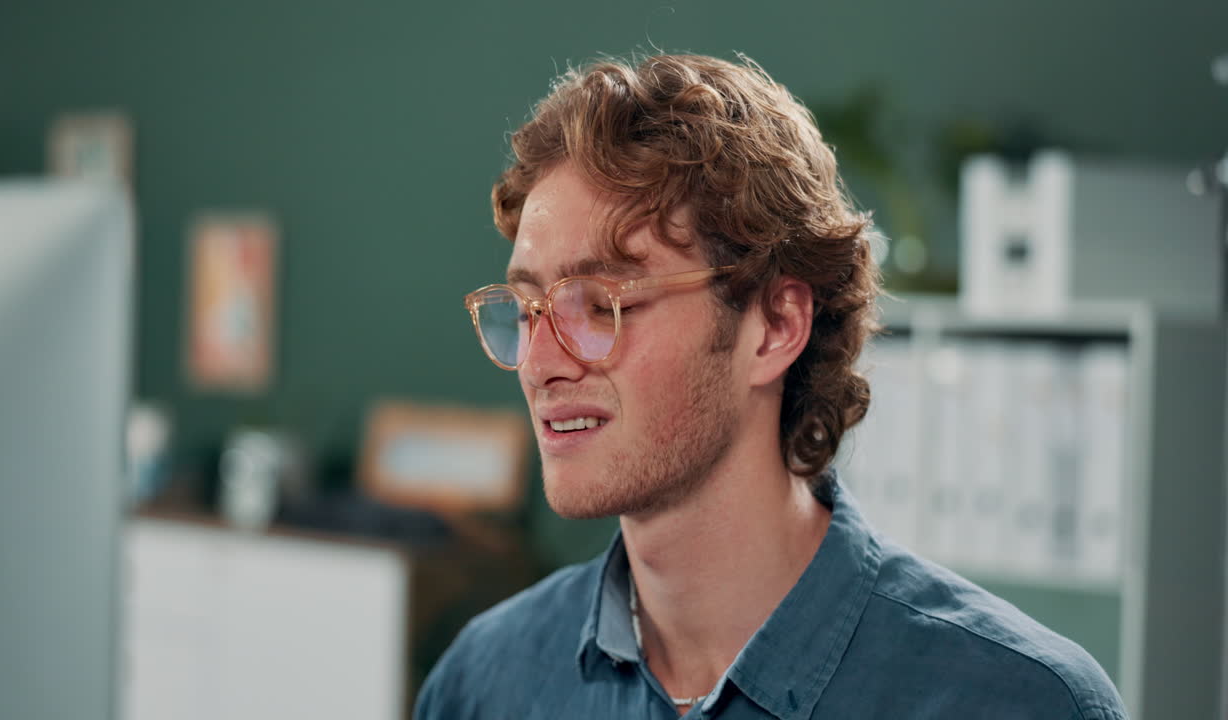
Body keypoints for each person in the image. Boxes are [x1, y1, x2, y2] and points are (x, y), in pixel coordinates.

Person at [416, 53, 1127, 719]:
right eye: (529, 308)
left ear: (776, 325)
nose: (542, 362)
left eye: (602, 302)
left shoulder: (1019, 701)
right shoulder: (484, 682)